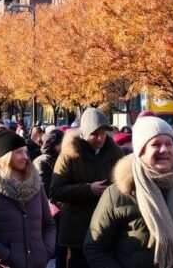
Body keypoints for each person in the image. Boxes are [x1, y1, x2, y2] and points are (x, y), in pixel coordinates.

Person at [83, 116, 173, 268]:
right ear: (141, 151)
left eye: (169, 144)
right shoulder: (118, 194)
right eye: (155, 144)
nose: (164, 150)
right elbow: (95, 247)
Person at [49, 107, 123, 268]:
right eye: (94, 134)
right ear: (83, 134)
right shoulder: (69, 154)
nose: (99, 139)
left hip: (107, 231)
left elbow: (125, 183)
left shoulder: (116, 153)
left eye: (103, 134)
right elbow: (56, 191)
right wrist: (88, 189)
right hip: (77, 233)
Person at [0, 131, 55, 268]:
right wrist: (8, 257)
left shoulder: (36, 186)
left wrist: (45, 252)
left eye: (26, 151)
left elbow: (49, 224)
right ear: (5, 156)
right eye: (18, 152)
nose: (25, 157)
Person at [33, 128, 65, 268]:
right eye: (61, 143)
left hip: (57, 210)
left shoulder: (57, 159)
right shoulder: (43, 161)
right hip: (49, 211)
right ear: (55, 144)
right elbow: (44, 189)